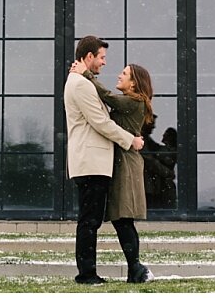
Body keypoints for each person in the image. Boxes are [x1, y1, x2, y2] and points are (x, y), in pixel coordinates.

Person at [63, 35, 143, 285]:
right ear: (89, 57)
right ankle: (86, 274)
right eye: (101, 57)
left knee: (91, 220)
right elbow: (101, 122)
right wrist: (130, 140)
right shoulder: (81, 84)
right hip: (91, 162)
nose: (104, 63)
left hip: (91, 161)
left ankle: (88, 272)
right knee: (89, 220)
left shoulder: (81, 81)